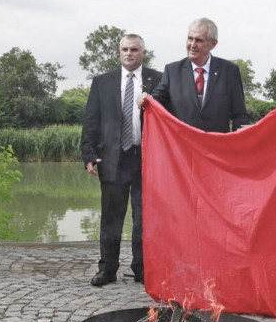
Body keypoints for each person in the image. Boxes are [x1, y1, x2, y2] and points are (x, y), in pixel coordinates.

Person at [81, 34, 162, 286]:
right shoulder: (102, 82)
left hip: (146, 160)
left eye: (134, 49)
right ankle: (107, 269)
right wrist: (88, 154)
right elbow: (91, 121)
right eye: (125, 49)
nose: (129, 53)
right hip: (112, 158)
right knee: (111, 219)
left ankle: (142, 270)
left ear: (143, 53)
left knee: (143, 219)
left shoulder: (158, 80)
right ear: (119, 52)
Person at [137, 17, 248, 132]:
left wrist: (240, 142)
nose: (192, 45)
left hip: (216, 146)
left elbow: (239, 114)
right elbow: (157, 100)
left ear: (213, 44)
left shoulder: (229, 71)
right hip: (182, 146)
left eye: (199, 40)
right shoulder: (172, 71)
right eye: (190, 39)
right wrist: (147, 98)